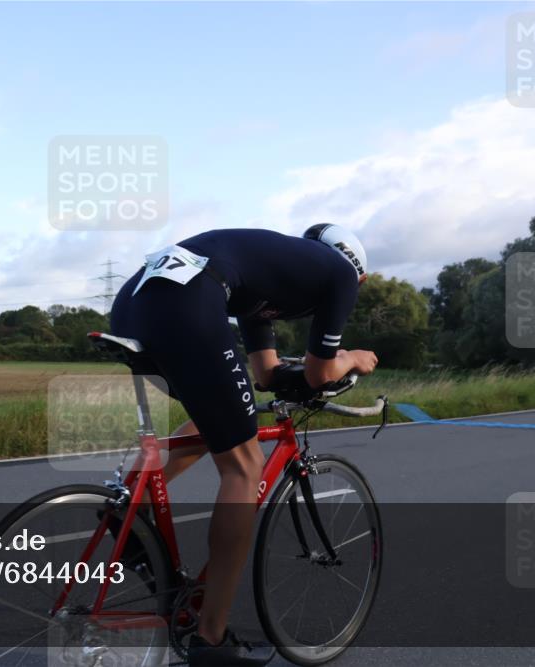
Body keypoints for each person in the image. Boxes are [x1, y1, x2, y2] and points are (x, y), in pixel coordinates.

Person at [109, 225, 378, 666]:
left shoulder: (271, 278)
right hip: (187, 302)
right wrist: (352, 358)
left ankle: (127, 502)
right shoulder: (342, 274)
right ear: (361, 275)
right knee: (243, 467)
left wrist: (298, 372)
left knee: (219, 416)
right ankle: (211, 637)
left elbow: (267, 374)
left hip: (133, 301)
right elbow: (319, 375)